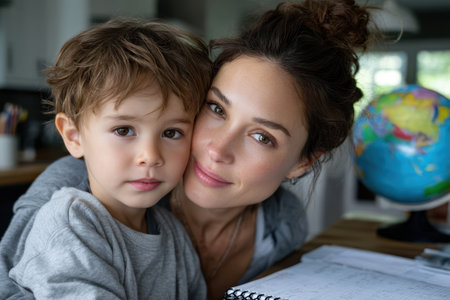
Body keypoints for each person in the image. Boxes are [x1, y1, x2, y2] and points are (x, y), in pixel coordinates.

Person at [1, 0, 375, 299]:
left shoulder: (280, 225)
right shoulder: (76, 189)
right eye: (216, 109)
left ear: (303, 161)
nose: (218, 150)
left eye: (262, 136)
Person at [5, 18, 211, 299]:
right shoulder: (70, 225)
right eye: (124, 130)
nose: (150, 157)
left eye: (172, 132)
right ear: (74, 137)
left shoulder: (173, 232)